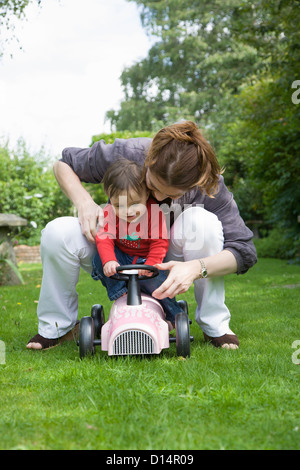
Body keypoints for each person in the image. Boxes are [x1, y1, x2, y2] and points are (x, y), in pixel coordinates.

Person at [27, 120, 257, 351]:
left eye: (170, 194)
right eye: (152, 186)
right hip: (116, 249)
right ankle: (57, 327)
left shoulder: (209, 185)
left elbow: (243, 251)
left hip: (170, 256)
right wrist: (84, 202)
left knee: (203, 222)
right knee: (57, 231)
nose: (156, 198)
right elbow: (63, 164)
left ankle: (214, 325)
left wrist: (197, 267)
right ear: (149, 161)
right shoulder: (128, 154)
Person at [91, 158, 184, 328]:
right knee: (99, 258)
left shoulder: (154, 212)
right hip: (121, 257)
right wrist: (109, 260)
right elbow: (104, 238)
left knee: (159, 284)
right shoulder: (109, 213)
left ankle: (173, 315)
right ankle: (122, 294)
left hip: (146, 259)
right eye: (119, 205)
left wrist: (151, 265)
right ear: (110, 199)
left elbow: (159, 243)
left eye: (135, 204)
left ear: (146, 195)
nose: (128, 211)